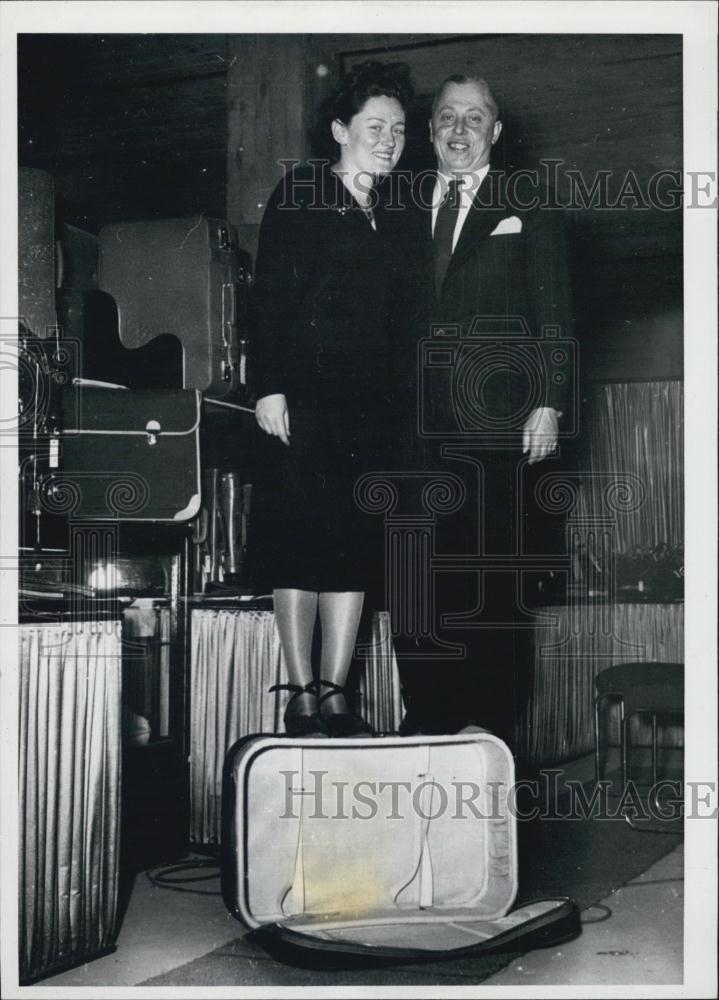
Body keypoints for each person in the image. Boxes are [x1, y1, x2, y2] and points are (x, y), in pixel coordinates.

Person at [394, 74, 574, 742]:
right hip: (411, 427)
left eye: (475, 117)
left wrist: (550, 402)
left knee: (493, 579)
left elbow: (554, 308)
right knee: (416, 578)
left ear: (495, 131)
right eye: (447, 117)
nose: (459, 129)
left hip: (496, 421)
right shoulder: (401, 204)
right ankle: (427, 724)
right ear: (431, 129)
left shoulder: (525, 199)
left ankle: (490, 733)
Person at [249, 61, 413, 738]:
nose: (388, 139)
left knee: (351, 547)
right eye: (374, 125)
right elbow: (272, 299)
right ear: (341, 129)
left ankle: (336, 694)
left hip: (372, 412)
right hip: (306, 397)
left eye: (398, 129)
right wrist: (270, 387)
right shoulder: (305, 191)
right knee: (300, 542)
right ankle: (298, 691)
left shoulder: (398, 212)